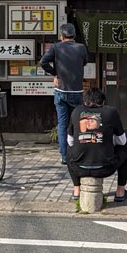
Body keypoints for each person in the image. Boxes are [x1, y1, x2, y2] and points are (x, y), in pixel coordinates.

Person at [66, 88, 127, 203]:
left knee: (69, 149)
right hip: (105, 168)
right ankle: (120, 192)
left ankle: (76, 190)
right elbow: (122, 141)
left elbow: (70, 141)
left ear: (85, 102)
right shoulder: (111, 112)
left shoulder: (76, 111)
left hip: (78, 167)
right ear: (103, 102)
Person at [39, 22, 88, 165]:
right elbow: (84, 62)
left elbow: (43, 62)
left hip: (60, 91)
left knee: (62, 124)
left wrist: (55, 73)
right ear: (74, 35)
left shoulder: (56, 47)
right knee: (78, 123)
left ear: (61, 36)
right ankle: (78, 153)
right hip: (76, 91)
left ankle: (65, 156)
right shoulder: (81, 48)